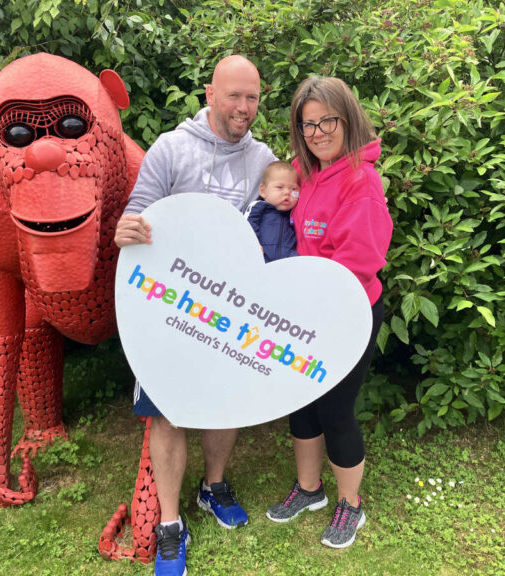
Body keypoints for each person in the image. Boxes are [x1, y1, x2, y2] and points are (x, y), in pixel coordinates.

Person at [114, 54, 276, 576]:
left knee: (223, 405)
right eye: (234, 96)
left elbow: (274, 230)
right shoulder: (172, 148)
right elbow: (137, 213)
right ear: (209, 93)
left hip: (228, 310)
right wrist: (126, 230)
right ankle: (168, 524)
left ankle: (213, 486)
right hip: (168, 308)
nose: (244, 108)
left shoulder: (263, 158)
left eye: (252, 97)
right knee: (166, 411)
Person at [265, 76, 392, 550]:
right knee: (300, 400)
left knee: (336, 409)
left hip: (347, 312)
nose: (317, 132)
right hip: (303, 312)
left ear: (348, 119)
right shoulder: (304, 172)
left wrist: (317, 306)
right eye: (308, 123)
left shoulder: (361, 180)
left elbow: (359, 263)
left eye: (327, 121)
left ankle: (350, 505)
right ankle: (309, 490)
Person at [244, 161, 300, 263]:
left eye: (293, 189)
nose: (287, 192)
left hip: (288, 259)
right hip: (261, 256)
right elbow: (247, 226)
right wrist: (252, 244)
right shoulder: (258, 207)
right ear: (263, 191)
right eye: (279, 187)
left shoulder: (296, 212)